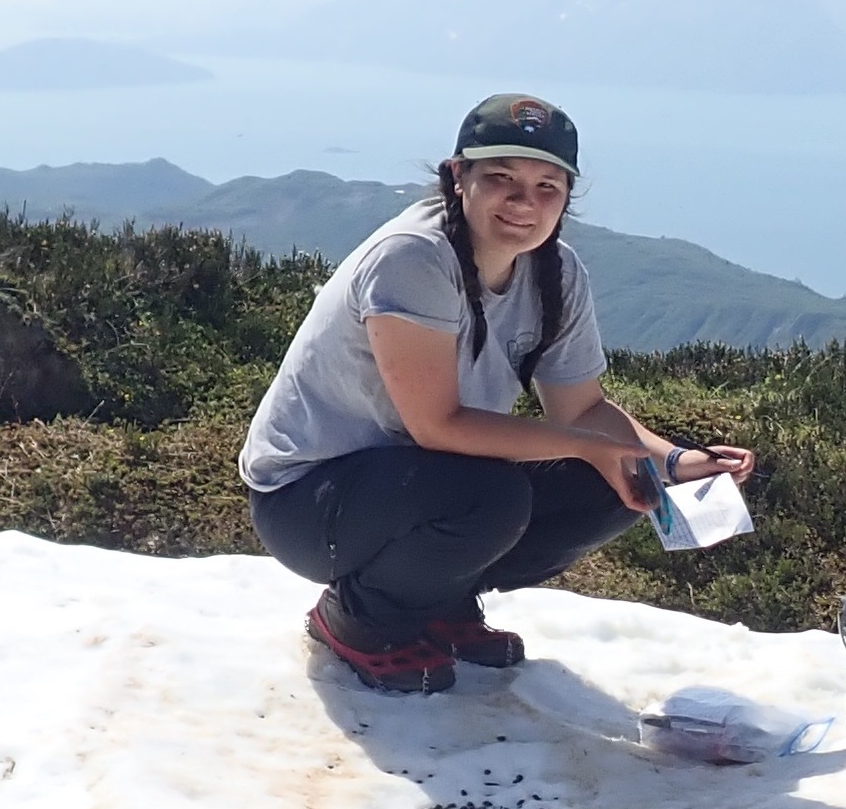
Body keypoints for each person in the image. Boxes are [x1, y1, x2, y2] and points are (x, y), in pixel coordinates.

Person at [240, 93, 756, 692]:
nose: (524, 203)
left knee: (623, 479)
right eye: (502, 179)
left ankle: (440, 601)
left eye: (547, 187)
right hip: (308, 499)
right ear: (459, 177)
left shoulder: (555, 273)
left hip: (418, 481)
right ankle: (359, 621)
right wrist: (592, 447)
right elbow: (439, 426)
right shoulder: (414, 258)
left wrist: (674, 461)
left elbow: (583, 410)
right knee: (494, 497)